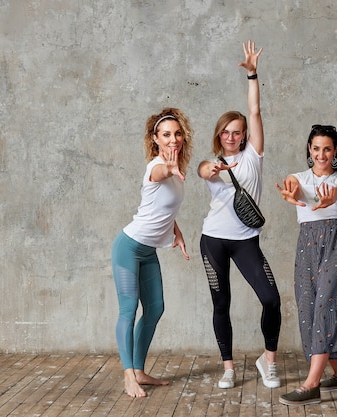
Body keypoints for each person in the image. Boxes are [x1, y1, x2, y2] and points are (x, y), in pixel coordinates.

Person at [198, 40, 281, 390]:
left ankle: (268, 360)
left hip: (246, 242)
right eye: (226, 132)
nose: (232, 136)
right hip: (213, 240)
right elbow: (203, 169)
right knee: (222, 303)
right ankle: (229, 368)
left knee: (271, 300)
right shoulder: (212, 161)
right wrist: (210, 169)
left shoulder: (253, 155)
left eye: (237, 131)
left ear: (245, 133)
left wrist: (252, 74)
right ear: (220, 135)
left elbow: (256, 109)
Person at [111, 108, 193, 398]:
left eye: (177, 133)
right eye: (166, 135)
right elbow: (158, 175)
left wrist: (177, 233)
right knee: (129, 310)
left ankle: (140, 370)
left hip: (148, 252)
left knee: (155, 309)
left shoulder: (178, 171)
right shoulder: (156, 167)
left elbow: (165, 209)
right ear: (155, 139)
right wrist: (168, 168)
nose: (174, 139)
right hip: (129, 247)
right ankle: (128, 375)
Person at [276, 125, 337, 406]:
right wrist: (292, 194)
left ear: (335, 152)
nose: (321, 154)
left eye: (327, 149)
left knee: (325, 306)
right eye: (316, 148)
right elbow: (293, 187)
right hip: (306, 245)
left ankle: (311, 384)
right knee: (308, 307)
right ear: (309, 150)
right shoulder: (298, 177)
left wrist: (332, 196)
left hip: (335, 243)